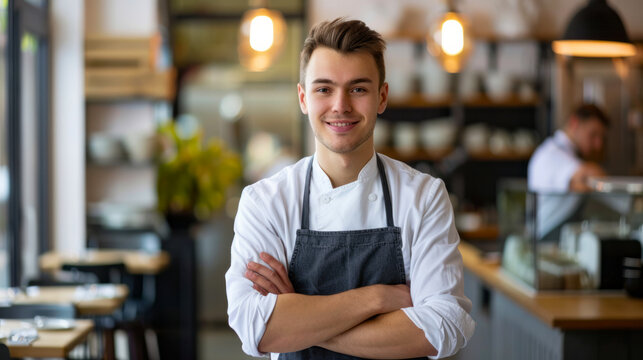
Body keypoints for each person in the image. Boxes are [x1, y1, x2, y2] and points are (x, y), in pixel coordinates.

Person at [225, 18, 475, 359]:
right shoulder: (265, 202)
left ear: (381, 97)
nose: (340, 105)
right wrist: (377, 299)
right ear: (303, 98)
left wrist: (300, 319)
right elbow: (257, 329)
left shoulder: (423, 197)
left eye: (358, 89)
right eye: (324, 89)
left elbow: (444, 327)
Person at [527, 104, 609, 240]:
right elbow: (586, 176)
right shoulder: (551, 153)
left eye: (601, 138)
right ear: (574, 123)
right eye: (593, 134)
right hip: (545, 242)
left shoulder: (568, 154)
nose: (598, 144)